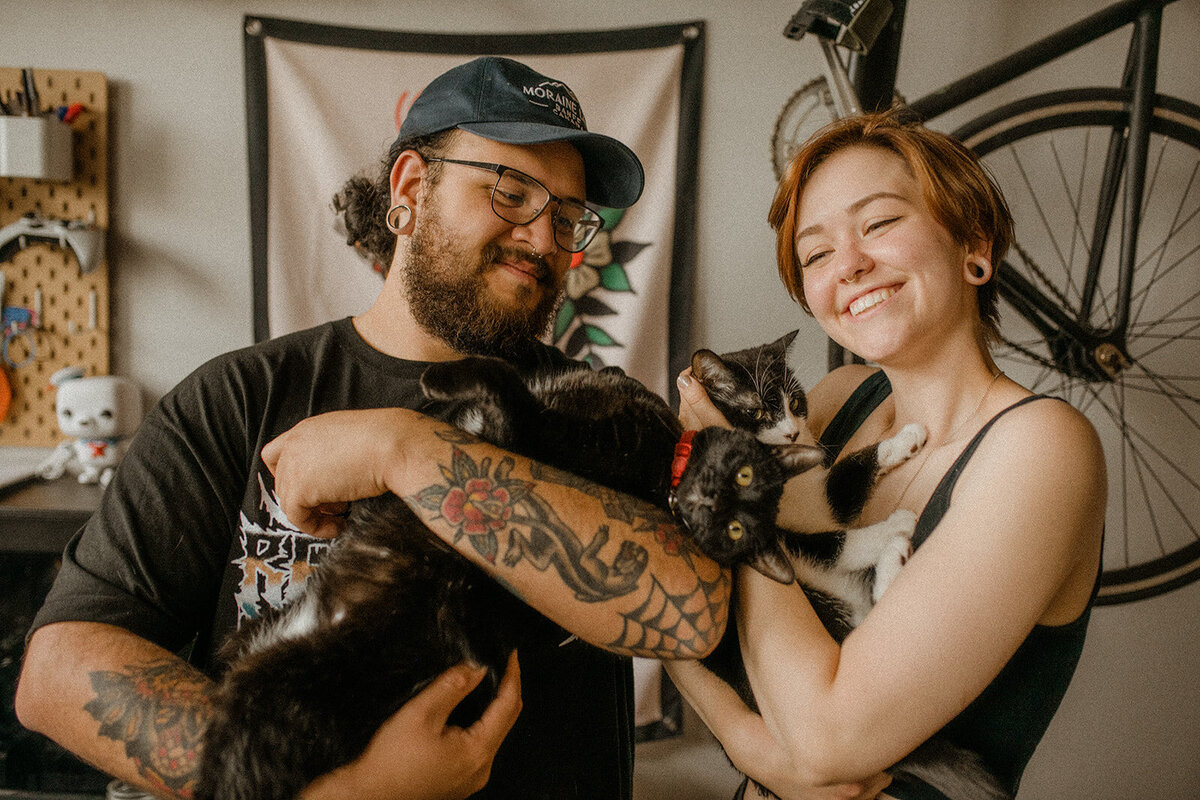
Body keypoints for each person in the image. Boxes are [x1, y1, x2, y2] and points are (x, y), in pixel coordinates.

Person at [15, 56, 730, 800]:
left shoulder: (597, 405)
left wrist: (406, 450)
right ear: (411, 189)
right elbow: (61, 669)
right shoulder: (240, 398)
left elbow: (695, 612)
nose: (545, 240)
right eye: (511, 193)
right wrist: (336, 792)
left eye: (567, 217)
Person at [668, 110, 1106, 800]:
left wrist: (728, 485)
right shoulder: (839, 402)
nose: (848, 265)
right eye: (815, 255)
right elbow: (672, 608)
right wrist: (752, 747)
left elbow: (830, 738)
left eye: (878, 224)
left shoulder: (1041, 446)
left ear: (974, 243)